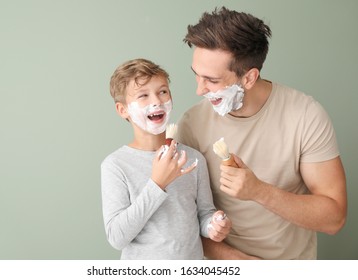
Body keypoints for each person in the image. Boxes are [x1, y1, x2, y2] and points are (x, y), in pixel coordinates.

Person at [176, 7, 347, 260]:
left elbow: (334, 218)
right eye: (197, 76)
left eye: (211, 80)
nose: (200, 90)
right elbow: (181, 223)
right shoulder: (191, 125)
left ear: (249, 78)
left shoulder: (305, 115)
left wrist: (259, 191)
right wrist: (242, 264)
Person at [101, 58, 231, 259]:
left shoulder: (193, 158)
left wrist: (215, 223)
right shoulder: (116, 165)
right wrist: (157, 183)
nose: (156, 101)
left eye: (162, 91)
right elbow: (117, 237)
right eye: (143, 95)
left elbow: (204, 215)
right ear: (122, 109)